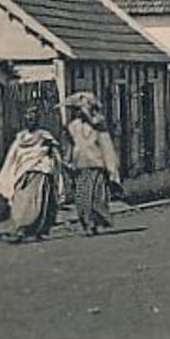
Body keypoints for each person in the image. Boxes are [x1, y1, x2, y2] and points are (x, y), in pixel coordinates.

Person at [0, 107, 62, 242]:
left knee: (38, 204)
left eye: (33, 118)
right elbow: (12, 157)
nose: (31, 121)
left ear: (38, 120)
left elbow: (55, 153)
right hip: (22, 172)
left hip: (40, 171)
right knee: (20, 201)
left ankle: (32, 230)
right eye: (28, 118)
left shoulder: (45, 136)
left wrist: (53, 156)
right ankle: (21, 228)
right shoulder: (21, 138)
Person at [66, 92, 121, 236]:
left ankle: (95, 222)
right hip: (80, 163)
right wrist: (68, 160)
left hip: (96, 163)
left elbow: (105, 143)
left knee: (96, 196)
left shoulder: (99, 123)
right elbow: (71, 144)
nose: (81, 112)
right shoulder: (73, 126)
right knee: (82, 197)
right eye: (79, 110)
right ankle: (87, 223)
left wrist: (110, 166)